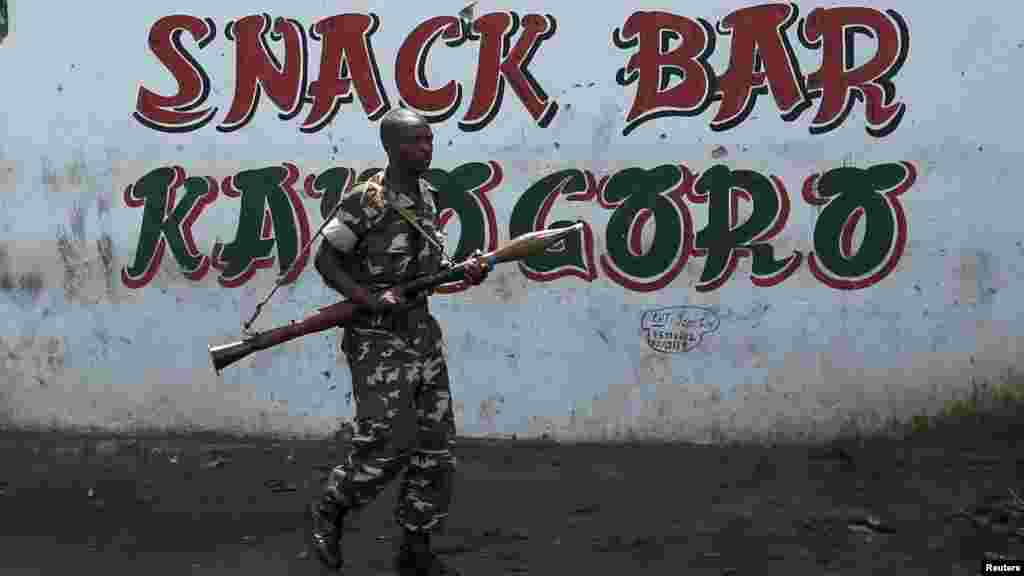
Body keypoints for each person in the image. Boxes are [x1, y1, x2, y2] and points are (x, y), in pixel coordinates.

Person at [309, 107, 488, 575]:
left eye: (429, 140)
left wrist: (463, 276)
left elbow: (425, 278)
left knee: (434, 446)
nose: (426, 149)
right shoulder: (365, 200)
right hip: (376, 340)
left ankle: (416, 552)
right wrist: (365, 297)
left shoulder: (426, 198)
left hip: (421, 333)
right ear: (391, 148)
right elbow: (326, 261)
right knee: (386, 442)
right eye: (415, 142)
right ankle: (332, 508)